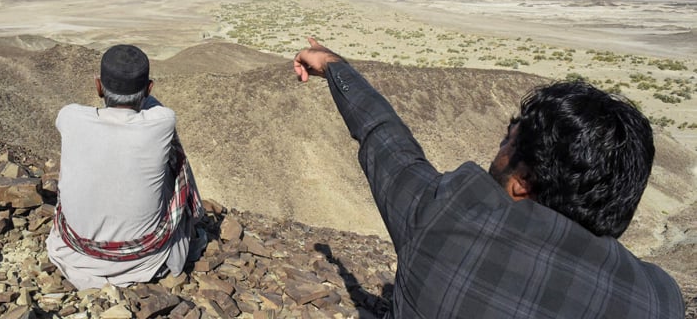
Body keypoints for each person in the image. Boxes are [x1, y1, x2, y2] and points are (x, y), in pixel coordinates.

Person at [293, 37, 684, 318]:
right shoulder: (660, 299)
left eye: (506, 143)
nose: (497, 152)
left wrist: (332, 65)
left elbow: (384, 139)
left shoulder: (450, 220)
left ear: (523, 181)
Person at [47, 44, 205, 290]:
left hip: (76, 255)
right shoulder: (162, 122)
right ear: (149, 87)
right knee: (168, 163)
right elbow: (154, 107)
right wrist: (142, 97)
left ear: (98, 86)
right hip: (147, 261)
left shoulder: (70, 117)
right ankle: (193, 213)